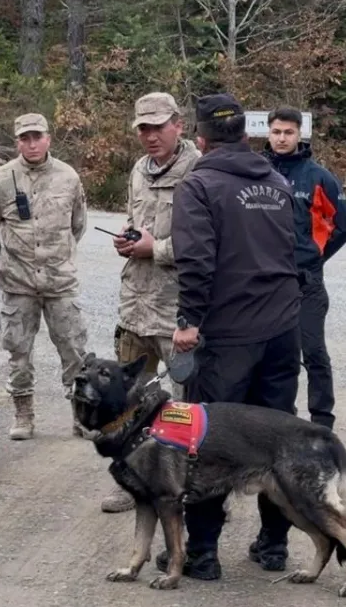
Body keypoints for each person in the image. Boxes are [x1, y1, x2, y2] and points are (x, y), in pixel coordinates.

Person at [155, 92, 302, 580]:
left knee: (206, 440)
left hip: (229, 335)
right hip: (283, 330)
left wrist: (188, 322)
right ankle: (274, 545)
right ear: (246, 134)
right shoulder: (278, 183)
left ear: (201, 138)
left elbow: (196, 259)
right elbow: (298, 250)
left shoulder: (199, 186)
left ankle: (201, 553)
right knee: (278, 437)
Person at [101, 92, 201, 514]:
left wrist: (154, 249)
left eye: (158, 126)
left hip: (175, 307)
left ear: (178, 123)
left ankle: (189, 486)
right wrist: (129, 241)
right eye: (143, 128)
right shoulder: (139, 170)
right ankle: (134, 481)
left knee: (182, 405)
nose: (150, 135)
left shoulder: (200, 170)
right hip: (135, 304)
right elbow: (137, 224)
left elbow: (207, 242)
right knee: (130, 401)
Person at [0, 113, 89, 440]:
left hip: (60, 282)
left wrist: (55, 254)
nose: (31, 144)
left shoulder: (68, 177)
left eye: (37, 137)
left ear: (48, 138)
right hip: (19, 282)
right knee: (18, 350)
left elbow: (78, 224)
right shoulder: (2, 178)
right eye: (24, 138)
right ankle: (23, 413)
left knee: (74, 350)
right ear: (17, 141)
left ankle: (81, 415)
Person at [263, 106, 346, 429]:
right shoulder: (257, 171)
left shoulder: (317, 176)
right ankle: (276, 419)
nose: (282, 138)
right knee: (271, 355)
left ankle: (322, 422)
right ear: (268, 133)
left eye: (288, 132)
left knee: (313, 352)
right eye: (276, 132)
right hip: (263, 283)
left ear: (300, 134)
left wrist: (315, 256)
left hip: (305, 283)